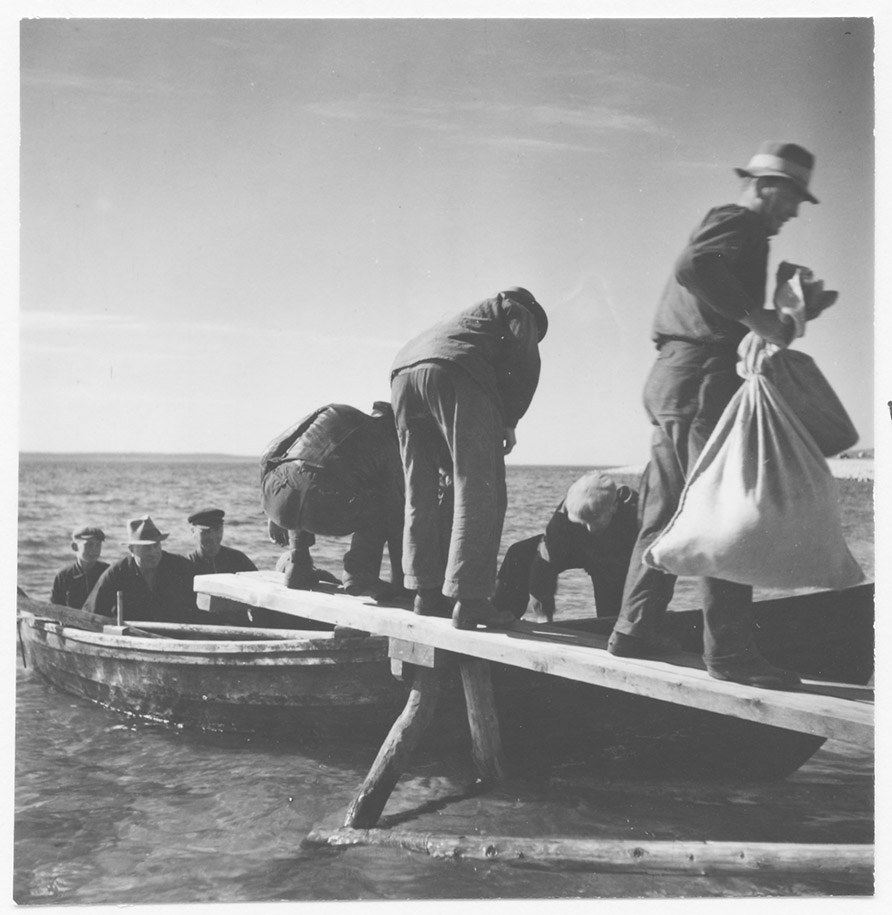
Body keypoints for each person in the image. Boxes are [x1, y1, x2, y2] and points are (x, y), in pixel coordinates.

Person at [607, 141, 834, 689]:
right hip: (702, 379)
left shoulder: (737, 227)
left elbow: (704, 282)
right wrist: (758, 317)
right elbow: (694, 266)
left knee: (668, 509)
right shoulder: (741, 221)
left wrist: (783, 313)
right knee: (723, 509)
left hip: (674, 378)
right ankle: (731, 655)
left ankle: (633, 631)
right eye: (792, 198)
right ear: (765, 186)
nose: (794, 211)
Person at [391, 286, 547, 629]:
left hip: (402, 375)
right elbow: (526, 364)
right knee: (479, 490)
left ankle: (425, 593)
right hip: (457, 370)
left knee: (420, 491)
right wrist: (509, 420)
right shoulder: (518, 309)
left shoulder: (464, 318)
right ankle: (470, 600)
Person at [260, 402, 406, 599]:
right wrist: (403, 582)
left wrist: (269, 511)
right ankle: (359, 575)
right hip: (324, 505)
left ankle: (298, 565)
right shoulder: (388, 443)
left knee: (302, 475)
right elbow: (395, 512)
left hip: (278, 495)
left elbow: (271, 451)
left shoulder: (333, 411)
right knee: (384, 504)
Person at [493, 471, 639, 622]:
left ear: (614, 507)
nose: (589, 529)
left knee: (613, 619)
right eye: (583, 521)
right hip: (577, 546)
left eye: (594, 520)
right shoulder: (566, 512)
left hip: (617, 556)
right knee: (520, 554)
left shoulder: (637, 512)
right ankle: (500, 616)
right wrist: (544, 616)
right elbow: (544, 564)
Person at [83, 516, 196, 623]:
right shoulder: (116, 574)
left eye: (156, 546)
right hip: (132, 634)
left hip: (175, 633)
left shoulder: (180, 566)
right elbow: (90, 615)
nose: (153, 552)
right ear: (131, 549)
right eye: (147, 547)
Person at [50, 526, 109, 609]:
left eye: (98, 545)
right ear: (75, 546)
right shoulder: (64, 576)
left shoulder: (107, 573)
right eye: (89, 545)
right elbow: (55, 607)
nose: (94, 549)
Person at [185, 508, 258, 575]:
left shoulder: (238, 560)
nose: (212, 537)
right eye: (206, 532)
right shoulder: (187, 565)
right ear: (193, 531)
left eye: (217, 530)